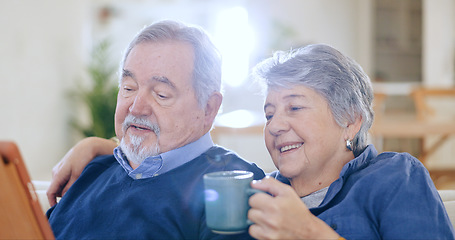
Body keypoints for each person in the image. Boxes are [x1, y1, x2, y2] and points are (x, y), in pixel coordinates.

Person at [49, 44, 455, 239]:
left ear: (350, 119)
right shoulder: (260, 188)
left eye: (294, 108)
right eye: (269, 113)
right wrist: (111, 147)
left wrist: (310, 235)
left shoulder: (394, 177)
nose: (276, 125)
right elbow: (188, 159)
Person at [46, 20, 265, 240]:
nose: (136, 107)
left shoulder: (234, 185)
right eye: (128, 88)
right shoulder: (91, 170)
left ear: (208, 108)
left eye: (161, 94)